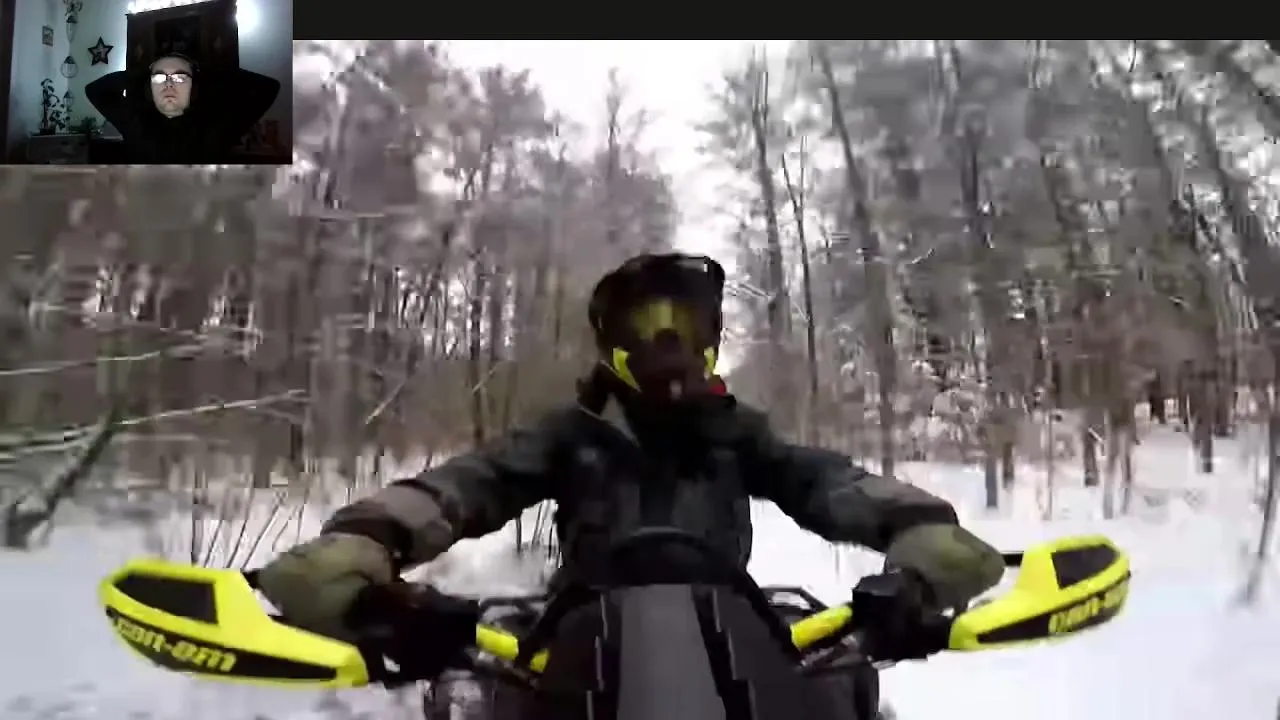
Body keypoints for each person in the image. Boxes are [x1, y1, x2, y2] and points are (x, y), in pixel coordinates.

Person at [255, 253, 1005, 680]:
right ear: (613, 339)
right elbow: (467, 484)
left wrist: (919, 532)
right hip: (572, 654)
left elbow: (827, 479)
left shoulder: (737, 433)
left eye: (685, 324)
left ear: (711, 337)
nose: (668, 343)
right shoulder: (570, 434)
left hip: (733, 648)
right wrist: (367, 538)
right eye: (649, 325)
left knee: (850, 693)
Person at [85, 52, 279, 164]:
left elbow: (268, 88)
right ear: (149, 88)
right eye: (160, 77)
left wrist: (206, 71)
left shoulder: (216, 126)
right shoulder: (135, 122)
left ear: (194, 88)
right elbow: (94, 90)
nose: (169, 84)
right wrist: (143, 73)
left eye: (180, 77)